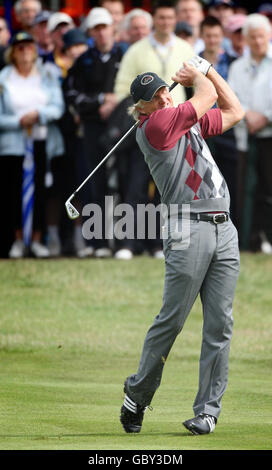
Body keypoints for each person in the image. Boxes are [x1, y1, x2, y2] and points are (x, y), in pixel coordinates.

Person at [119, 56, 244, 435]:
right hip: (187, 229)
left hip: (224, 228)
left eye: (162, 90)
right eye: (153, 97)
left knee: (220, 323)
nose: (162, 98)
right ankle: (137, 394)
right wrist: (201, 73)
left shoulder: (184, 122)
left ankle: (207, 411)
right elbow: (205, 96)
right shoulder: (155, 126)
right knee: (173, 320)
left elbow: (234, 110)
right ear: (140, 109)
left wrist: (210, 72)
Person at [64, 7, 125, 258]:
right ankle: (98, 242)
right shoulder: (83, 60)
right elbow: (72, 95)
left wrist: (113, 104)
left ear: (113, 28)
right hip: (91, 127)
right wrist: (100, 100)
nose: (102, 33)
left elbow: (134, 89)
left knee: (122, 179)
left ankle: (122, 241)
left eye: (105, 27)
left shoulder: (124, 55)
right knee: (93, 182)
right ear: (91, 32)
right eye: (96, 29)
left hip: (122, 127)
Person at [0, 31, 64, 258]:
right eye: (20, 48)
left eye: (29, 46)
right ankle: (17, 239)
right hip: (13, 145)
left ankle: (37, 238)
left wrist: (39, 114)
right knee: (11, 191)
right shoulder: (4, 77)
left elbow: (58, 106)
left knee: (41, 190)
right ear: (12, 52)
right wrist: (18, 120)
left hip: (41, 141)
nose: (25, 51)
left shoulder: (46, 74)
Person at [228, 13, 272, 253]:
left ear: (268, 36)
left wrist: (265, 115)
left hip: (269, 134)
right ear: (245, 39)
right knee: (247, 189)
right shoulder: (237, 66)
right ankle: (250, 240)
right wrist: (248, 115)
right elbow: (232, 97)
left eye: (261, 36)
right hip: (246, 135)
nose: (257, 41)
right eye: (252, 37)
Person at [114, 0, 194, 106]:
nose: (166, 22)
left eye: (170, 18)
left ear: (176, 19)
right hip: (147, 117)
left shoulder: (186, 48)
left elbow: (197, 85)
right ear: (153, 19)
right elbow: (122, 89)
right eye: (162, 18)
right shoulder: (135, 50)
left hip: (179, 115)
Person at [199, 15, 238, 225]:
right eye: (208, 36)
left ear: (222, 37)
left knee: (230, 180)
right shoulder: (193, 63)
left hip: (227, 127)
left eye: (216, 36)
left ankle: (232, 225)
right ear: (202, 36)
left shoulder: (233, 63)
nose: (212, 40)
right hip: (203, 129)